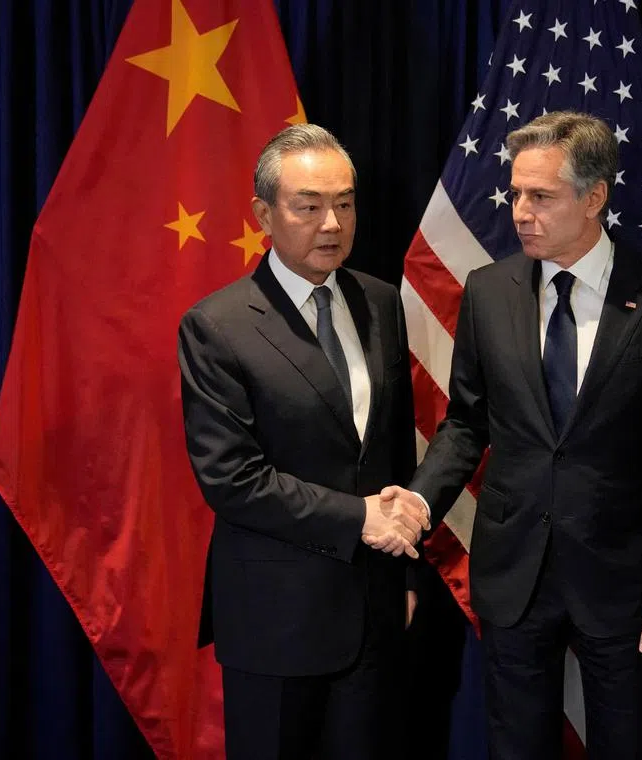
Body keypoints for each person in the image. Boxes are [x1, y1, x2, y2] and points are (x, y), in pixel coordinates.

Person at [375, 111, 642, 759]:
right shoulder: (487, 291)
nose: (521, 211)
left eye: (541, 196)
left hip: (622, 580)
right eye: (515, 194)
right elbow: (466, 425)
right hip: (515, 575)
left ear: (594, 198)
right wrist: (420, 503)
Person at [178, 123, 428, 760]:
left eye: (344, 204)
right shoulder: (217, 326)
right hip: (275, 622)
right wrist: (362, 518)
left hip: (374, 614)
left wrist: (403, 574)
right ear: (264, 214)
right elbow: (232, 480)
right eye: (309, 206)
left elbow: (390, 449)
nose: (331, 223)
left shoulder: (381, 301)